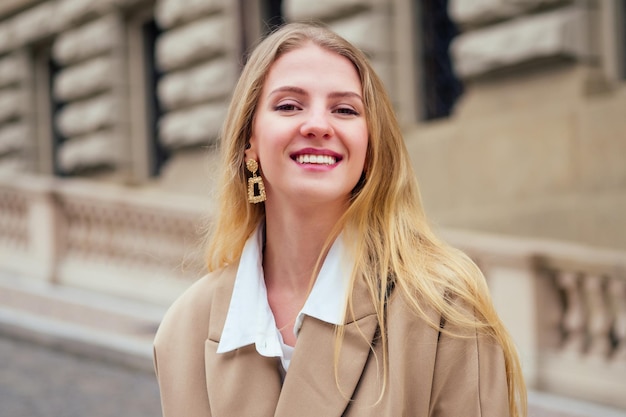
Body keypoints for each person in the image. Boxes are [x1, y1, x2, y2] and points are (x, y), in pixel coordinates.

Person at [153, 22, 527, 417]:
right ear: (251, 141)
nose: (317, 125)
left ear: (369, 145)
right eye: (288, 105)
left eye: (344, 110)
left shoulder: (442, 306)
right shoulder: (184, 331)